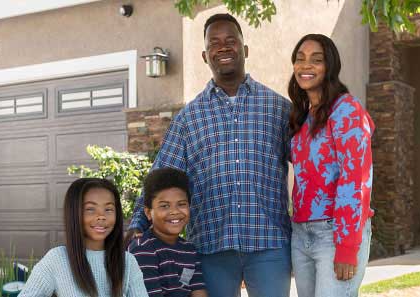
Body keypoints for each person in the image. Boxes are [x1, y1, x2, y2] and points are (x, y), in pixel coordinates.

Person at [128, 13, 292, 297]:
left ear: (245, 49)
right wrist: (137, 224)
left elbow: (310, 162)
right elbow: (161, 173)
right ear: (205, 56)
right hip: (211, 245)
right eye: (214, 42)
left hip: (269, 243)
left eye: (231, 40)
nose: (223, 47)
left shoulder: (278, 108)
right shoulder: (189, 118)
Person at [287, 33, 375, 297]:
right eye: (300, 59)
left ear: (330, 67)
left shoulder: (346, 110)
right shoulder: (303, 117)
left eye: (316, 60)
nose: (306, 66)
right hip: (301, 233)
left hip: (335, 233)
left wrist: (347, 246)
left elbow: (355, 179)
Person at [19, 178, 148, 297]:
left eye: (108, 209)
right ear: (74, 213)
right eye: (90, 209)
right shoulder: (57, 259)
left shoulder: (128, 262)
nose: (101, 216)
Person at [128, 168, 207, 297]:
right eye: (164, 206)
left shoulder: (189, 250)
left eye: (181, 204)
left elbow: (198, 290)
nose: (174, 211)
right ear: (148, 213)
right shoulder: (142, 248)